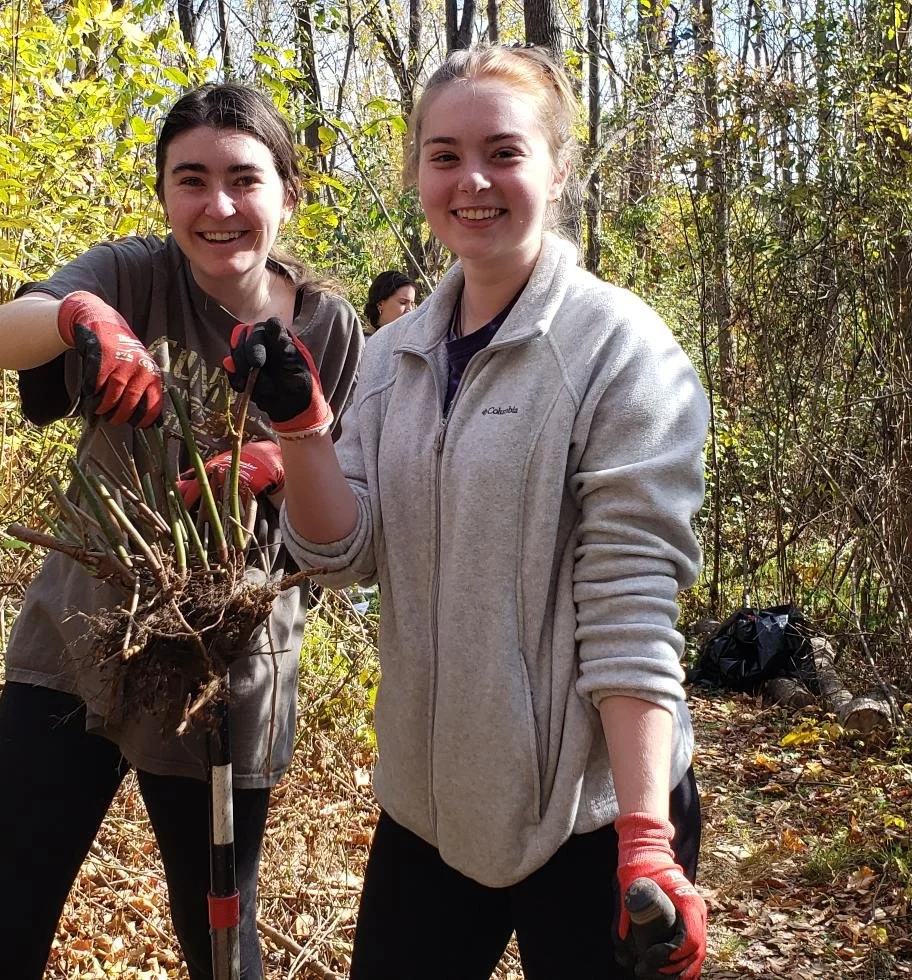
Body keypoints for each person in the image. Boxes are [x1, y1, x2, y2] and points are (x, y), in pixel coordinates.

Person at [230, 45, 711, 979]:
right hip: (430, 808)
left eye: (504, 152)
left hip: (593, 819)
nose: (472, 181)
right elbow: (340, 556)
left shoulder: (623, 351)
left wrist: (646, 839)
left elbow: (630, 601)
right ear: (418, 172)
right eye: (444, 155)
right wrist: (302, 429)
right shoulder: (393, 355)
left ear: (558, 169)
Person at [0, 83, 362, 980]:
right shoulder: (134, 275)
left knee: (219, 939)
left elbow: (357, 495)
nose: (219, 206)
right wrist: (79, 317)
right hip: (78, 642)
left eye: (244, 179)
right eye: (191, 180)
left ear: (288, 194)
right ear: (164, 194)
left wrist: (280, 458)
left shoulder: (328, 327)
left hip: (226, 666)